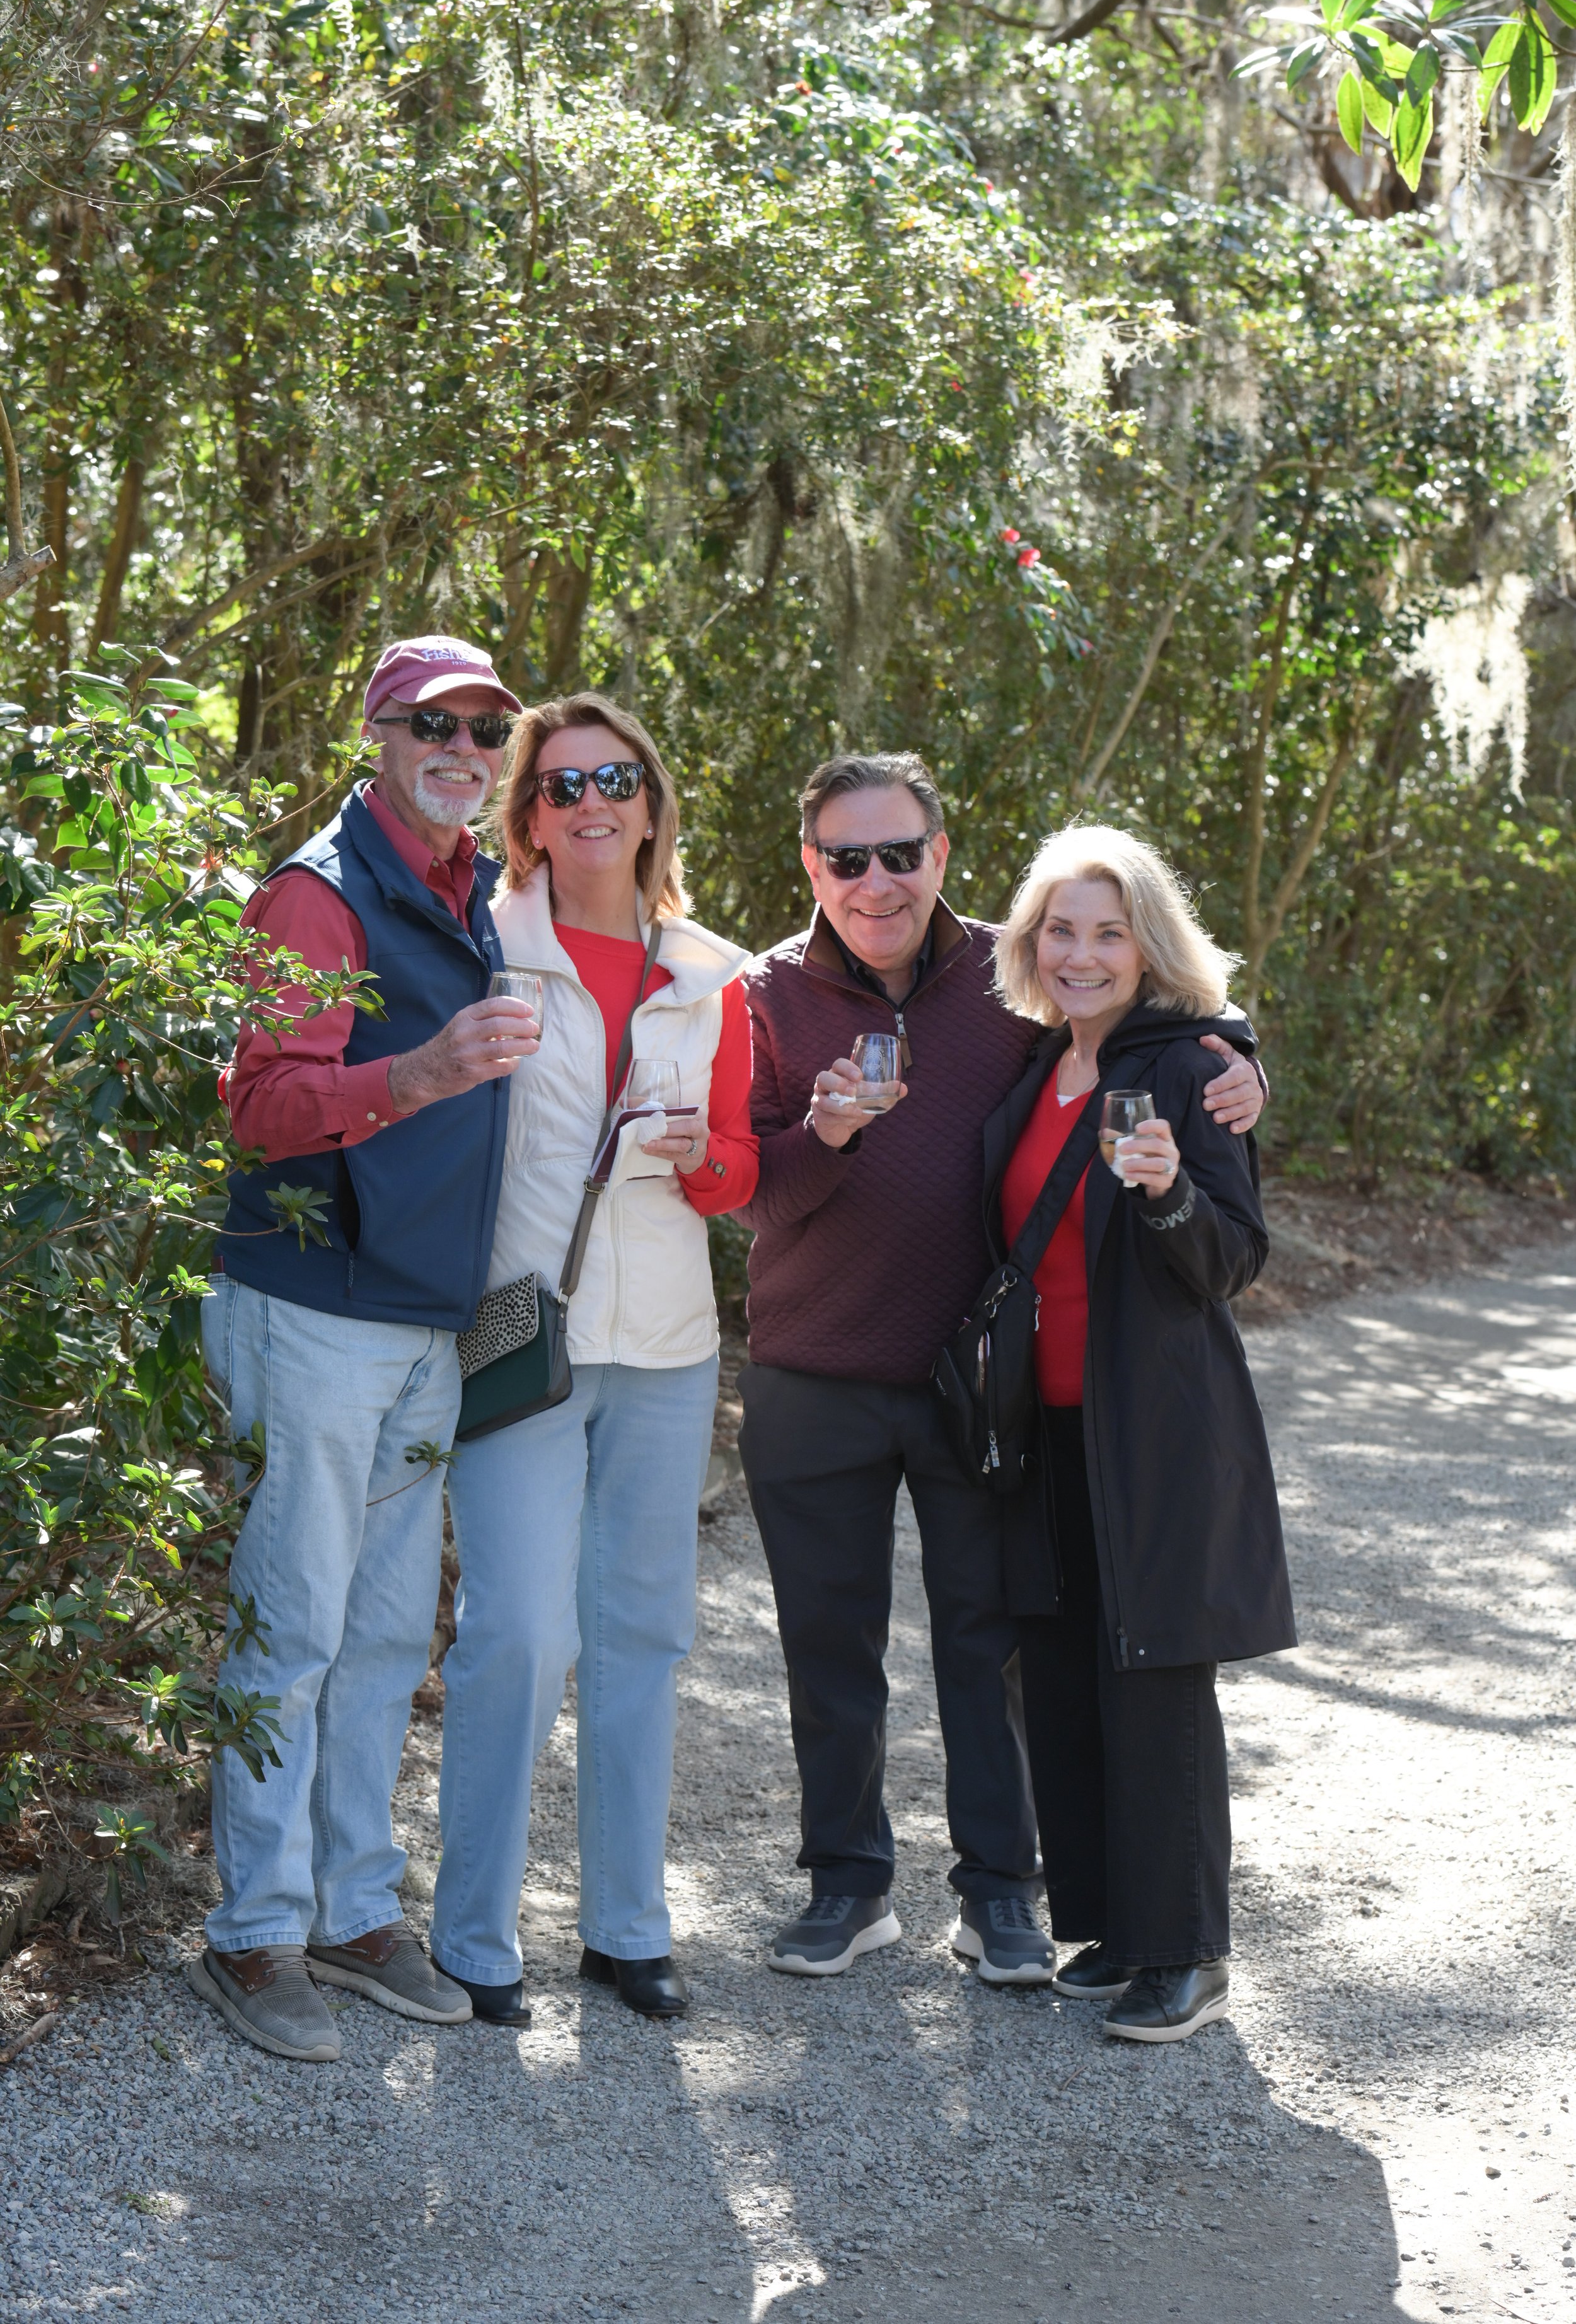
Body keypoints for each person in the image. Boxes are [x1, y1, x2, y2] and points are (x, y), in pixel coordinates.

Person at [734, 753, 1267, 1984]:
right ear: (811, 865)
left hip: (973, 1382)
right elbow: (750, 1198)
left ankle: (1002, 1900)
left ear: (939, 855)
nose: (876, 880)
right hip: (809, 1371)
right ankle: (848, 1887)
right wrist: (822, 1132)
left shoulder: (1005, 975)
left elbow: (1143, 1016)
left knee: (990, 1643)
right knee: (829, 1645)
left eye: (900, 853)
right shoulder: (761, 996)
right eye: (847, 858)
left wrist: (1237, 1051)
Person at [192, 636, 542, 2064]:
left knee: (392, 1632)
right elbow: (262, 1104)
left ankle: (349, 1910)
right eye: (434, 724)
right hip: (316, 1306)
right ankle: (253, 1933)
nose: (464, 748)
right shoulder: (320, 893)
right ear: (376, 733)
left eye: (486, 729)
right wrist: (423, 1071)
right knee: (294, 1619)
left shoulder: (461, 888)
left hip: (420, 1319)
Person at [428, 691, 757, 2025]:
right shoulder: (477, 945)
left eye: (613, 779)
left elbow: (740, 1168)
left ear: (651, 803)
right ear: (526, 817)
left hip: (669, 1350)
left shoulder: (711, 973)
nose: (589, 804)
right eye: (561, 786)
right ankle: (473, 1936)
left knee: (642, 1632)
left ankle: (628, 1929)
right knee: (516, 1630)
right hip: (520, 1338)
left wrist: (702, 1162)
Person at [987, 823, 1295, 2042]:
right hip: (1043, 1427)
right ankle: (1117, 1927)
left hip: (1153, 1423)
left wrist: (1169, 1193)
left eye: (1108, 931)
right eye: (1060, 929)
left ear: (1147, 945)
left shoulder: (1191, 1065)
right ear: (1031, 943)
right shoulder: (1037, 1070)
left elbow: (1236, 1257)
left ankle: (1189, 1951)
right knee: (1063, 1671)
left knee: (1158, 1672)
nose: (1082, 953)